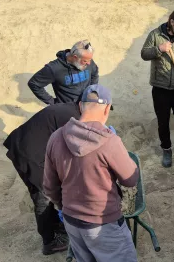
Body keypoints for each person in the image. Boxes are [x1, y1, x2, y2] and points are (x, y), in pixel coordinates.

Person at [43, 84, 138, 262]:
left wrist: (64, 207)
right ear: (107, 108)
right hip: (103, 223)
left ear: (80, 106)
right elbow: (130, 180)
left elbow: (49, 186)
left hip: (72, 222)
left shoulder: (56, 137)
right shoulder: (109, 141)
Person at [3, 102, 80, 255]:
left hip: (21, 146)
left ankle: (56, 225)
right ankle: (49, 242)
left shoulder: (69, 109)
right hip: (31, 155)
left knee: (44, 192)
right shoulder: (75, 119)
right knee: (43, 196)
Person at [141, 8, 174, 168]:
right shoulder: (155, 35)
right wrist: (159, 49)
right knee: (163, 121)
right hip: (160, 88)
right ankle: (166, 149)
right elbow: (144, 54)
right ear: (171, 22)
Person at [28, 40, 99, 105]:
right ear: (75, 57)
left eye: (90, 59)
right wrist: (52, 102)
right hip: (68, 110)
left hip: (86, 105)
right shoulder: (54, 68)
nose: (89, 63)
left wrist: (92, 90)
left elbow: (94, 73)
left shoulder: (87, 60)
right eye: (85, 61)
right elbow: (34, 84)